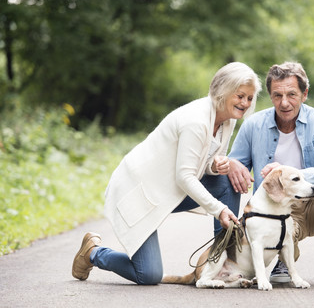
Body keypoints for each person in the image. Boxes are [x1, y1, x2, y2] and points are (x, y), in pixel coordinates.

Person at [72, 62, 262, 285]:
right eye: (240, 96)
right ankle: (93, 253)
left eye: (249, 98)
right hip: (140, 192)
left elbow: (201, 161)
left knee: (227, 180)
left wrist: (214, 166)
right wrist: (219, 209)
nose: (245, 103)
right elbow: (185, 176)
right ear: (223, 91)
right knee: (148, 275)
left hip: (171, 191)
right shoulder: (196, 120)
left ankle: (218, 262)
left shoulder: (227, 119)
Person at [227, 61, 314, 287]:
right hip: (274, 210)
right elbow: (235, 167)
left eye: (292, 94)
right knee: (282, 267)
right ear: (270, 95)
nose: (284, 102)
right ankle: (284, 261)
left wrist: (290, 177)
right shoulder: (253, 125)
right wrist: (232, 164)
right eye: (277, 95)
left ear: (305, 94)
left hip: (312, 205)